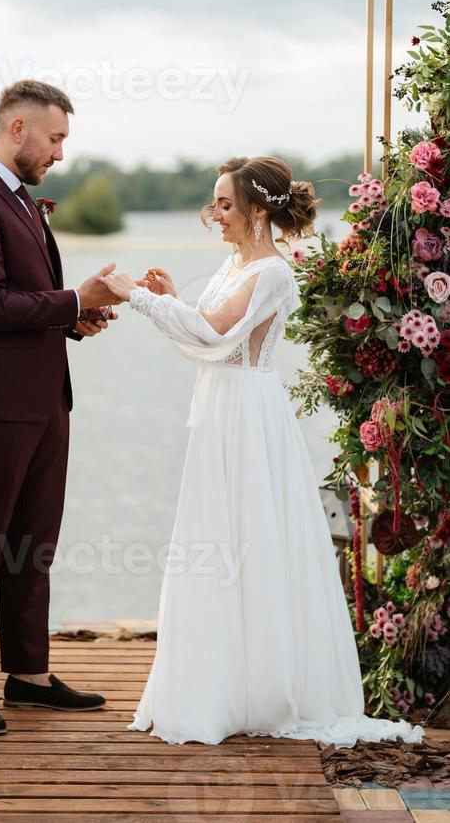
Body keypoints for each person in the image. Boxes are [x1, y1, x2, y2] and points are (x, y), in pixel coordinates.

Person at [100, 155, 425, 748]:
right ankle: (222, 682)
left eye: (225, 204)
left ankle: (262, 687)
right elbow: (211, 331)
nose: (215, 215)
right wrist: (174, 298)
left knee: (251, 534)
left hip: (249, 414)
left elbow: (213, 336)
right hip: (220, 407)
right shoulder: (235, 263)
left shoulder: (273, 272)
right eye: (214, 203)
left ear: (256, 210)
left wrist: (137, 298)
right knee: (215, 535)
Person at [0, 79, 122, 735]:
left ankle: (28, 674)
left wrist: (74, 320)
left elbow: (22, 299)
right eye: (55, 138)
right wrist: (74, 299)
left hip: (42, 398)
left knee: (31, 543)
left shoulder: (15, 199)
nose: (60, 154)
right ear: (17, 129)